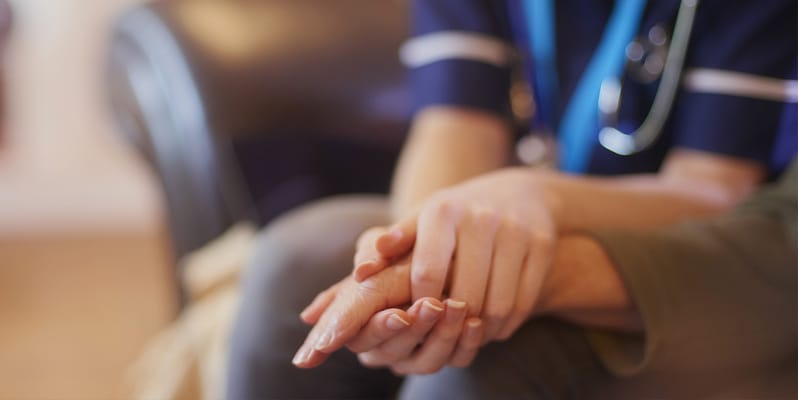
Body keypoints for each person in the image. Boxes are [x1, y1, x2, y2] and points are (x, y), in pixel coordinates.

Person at [227, 0, 797, 398]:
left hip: (676, 234)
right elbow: (455, 123)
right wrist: (418, 261)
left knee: (485, 361)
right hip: (517, 204)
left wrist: (534, 197)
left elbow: (714, 190)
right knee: (296, 257)